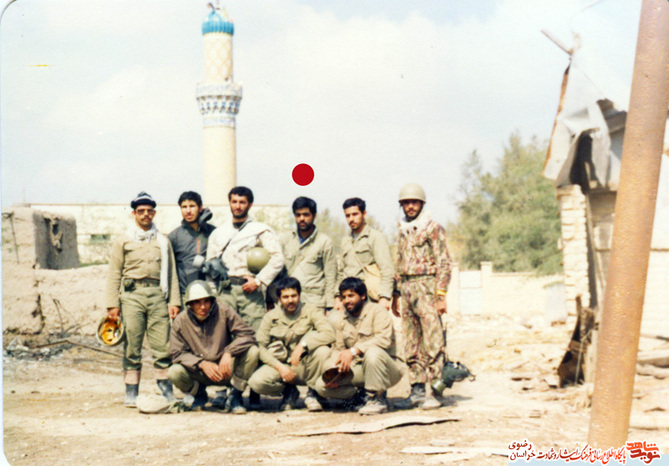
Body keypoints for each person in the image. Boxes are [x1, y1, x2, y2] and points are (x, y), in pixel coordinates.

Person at [105, 191, 181, 407]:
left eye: (149, 211)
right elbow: (114, 273)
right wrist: (112, 305)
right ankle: (131, 391)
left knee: (162, 346)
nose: (145, 214)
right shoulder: (123, 240)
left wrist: (174, 302)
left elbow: (171, 273)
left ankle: (166, 389)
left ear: (154, 213)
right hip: (132, 296)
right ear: (134, 214)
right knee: (132, 345)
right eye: (141, 211)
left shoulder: (163, 241)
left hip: (158, 295)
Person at [394, 183, 452, 410]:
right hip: (407, 288)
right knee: (411, 342)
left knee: (433, 341)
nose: (410, 206)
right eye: (406, 203)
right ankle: (417, 390)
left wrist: (441, 294)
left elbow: (444, 262)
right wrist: (396, 293)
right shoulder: (403, 230)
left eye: (414, 202)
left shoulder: (433, 228)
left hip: (427, 287)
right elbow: (398, 261)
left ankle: (436, 391)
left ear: (421, 204)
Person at [314, 277, 404, 415]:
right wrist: (333, 372)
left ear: (362, 296)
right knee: (321, 386)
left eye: (351, 296)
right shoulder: (342, 319)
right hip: (360, 367)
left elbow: (383, 340)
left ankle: (376, 398)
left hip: (387, 368)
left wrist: (354, 350)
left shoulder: (378, 312)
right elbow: (338, 349)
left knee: (372, 353)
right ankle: (359, 398)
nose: (347, 300)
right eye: (344, 297)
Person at [168, 280, 259, 413]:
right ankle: (199, 395)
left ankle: (235, 396)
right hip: (200, 372)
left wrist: (229, 352)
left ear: (212, 300)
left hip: (225, 369)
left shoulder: (224, 310)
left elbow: (247, 334)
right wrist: (201, 363)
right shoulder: (181, 321)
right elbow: (176, 353)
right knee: (174, 372)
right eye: (197, 302)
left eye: (206, 301)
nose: (203, 307)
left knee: (253, 352)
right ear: (190, 304)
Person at [248, 277, 334, 412]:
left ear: (299, 295)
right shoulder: (271, 317)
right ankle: (289, 392)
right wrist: (280, 367)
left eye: (294, 296)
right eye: (285, 297)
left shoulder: (311, 311)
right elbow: (261, 347)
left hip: (305, 366)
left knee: (323, 351)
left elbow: (329, 334)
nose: (290, 300)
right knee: (257, 382)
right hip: (281, 366)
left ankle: (313, 393)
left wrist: (303, 345)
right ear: (279, 299)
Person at [205, 186, 285, 330]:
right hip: (226, 291)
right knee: (224, 333)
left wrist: (259, 280)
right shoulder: (218, 233)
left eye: (242, 202)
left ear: (250, 204)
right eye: (234, 202)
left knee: (254, 333)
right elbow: (210, 266)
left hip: (250, 292)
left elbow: (278, 258)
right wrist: (213, 295)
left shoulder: (260, 230)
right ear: (229, 203)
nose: (238, 206)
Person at [279, 197, 336, 312]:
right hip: (288, 301)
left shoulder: (324, 242)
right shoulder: (285, 240)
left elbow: (331, 277)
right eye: (298, 215)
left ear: (314, 215)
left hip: (314, 302)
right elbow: (275, 271)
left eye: (306, 215)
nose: (302, 218)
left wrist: (329, 306)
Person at [335, 198, 394, 311]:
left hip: (369, 298)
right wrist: (337, 297)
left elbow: (387, 269)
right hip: (349, 300)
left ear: (364, 214)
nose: (351, 219)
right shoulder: (345, 241)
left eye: (355, 214)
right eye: (348, 216)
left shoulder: (375, 237)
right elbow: (341, 272)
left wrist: (384, 297)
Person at [168, 191, 216, 298]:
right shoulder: (174, 237)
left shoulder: (214, 233)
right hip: (185, 295)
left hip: (209, 295)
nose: (188, 211)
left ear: (200, 208)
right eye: (184, 207)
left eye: (192, 206)